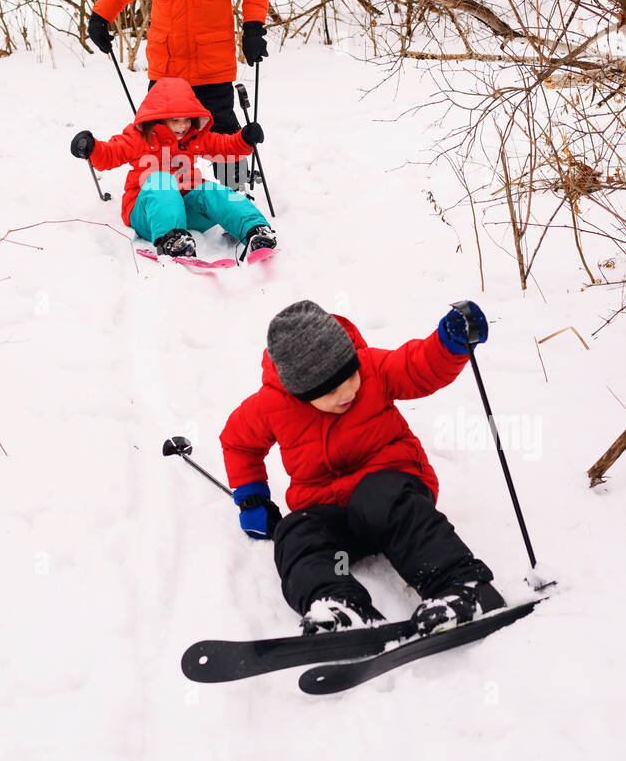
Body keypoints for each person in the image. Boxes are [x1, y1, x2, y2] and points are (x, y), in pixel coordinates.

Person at [219, 300, 505, 636]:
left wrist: (448, 344)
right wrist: (252, 496)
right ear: (299, 392)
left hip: (395, 495)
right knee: (297, 531)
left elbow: (417, 366)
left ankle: (461, 586)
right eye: (331, 390)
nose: (349, 391)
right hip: (332, 515)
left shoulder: (373, 368)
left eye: (351, 375)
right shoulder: (271, 405)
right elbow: (238, 442)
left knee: (379, 497)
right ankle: (338, 605)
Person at [87, 0, 269, 189]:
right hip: (166, 73)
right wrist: (99, 18)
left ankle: (235, 188)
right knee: (160, 133)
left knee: (222, 128)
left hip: (211, 70)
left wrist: (252, 29)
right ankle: (168, 187)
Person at [70, 76, 277, 259]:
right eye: (175, 120)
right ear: (158, 118)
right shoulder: (139, 137)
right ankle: (171, 240)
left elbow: (223, 147)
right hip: (147, 213)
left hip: (186, 210)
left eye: (187, 119)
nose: (182, 126)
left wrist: (244, 139)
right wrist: (93, 148)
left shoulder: (193, 137)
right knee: (162, 180)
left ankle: (255, 231)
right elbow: (110, 154)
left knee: (211, 190)